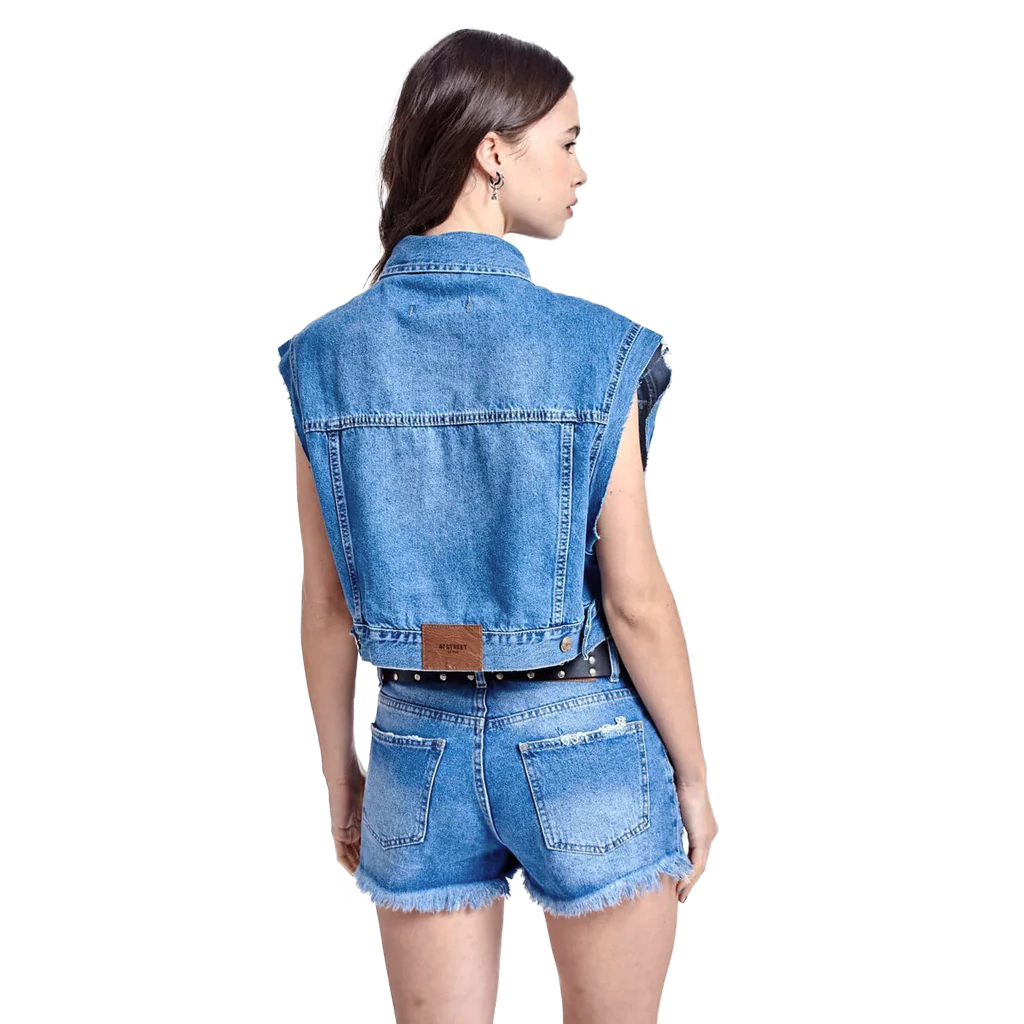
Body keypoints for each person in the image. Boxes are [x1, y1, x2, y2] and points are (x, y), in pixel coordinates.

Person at [277, 28, 718, 1024]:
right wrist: (693, 777)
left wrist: (340, 773)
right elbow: (636, 601)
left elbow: (326, 603)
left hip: (414, 744)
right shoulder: (594, 347)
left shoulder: (323, 356)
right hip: (581, 738)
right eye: (567, 142)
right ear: (492, 151)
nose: (581, 170)